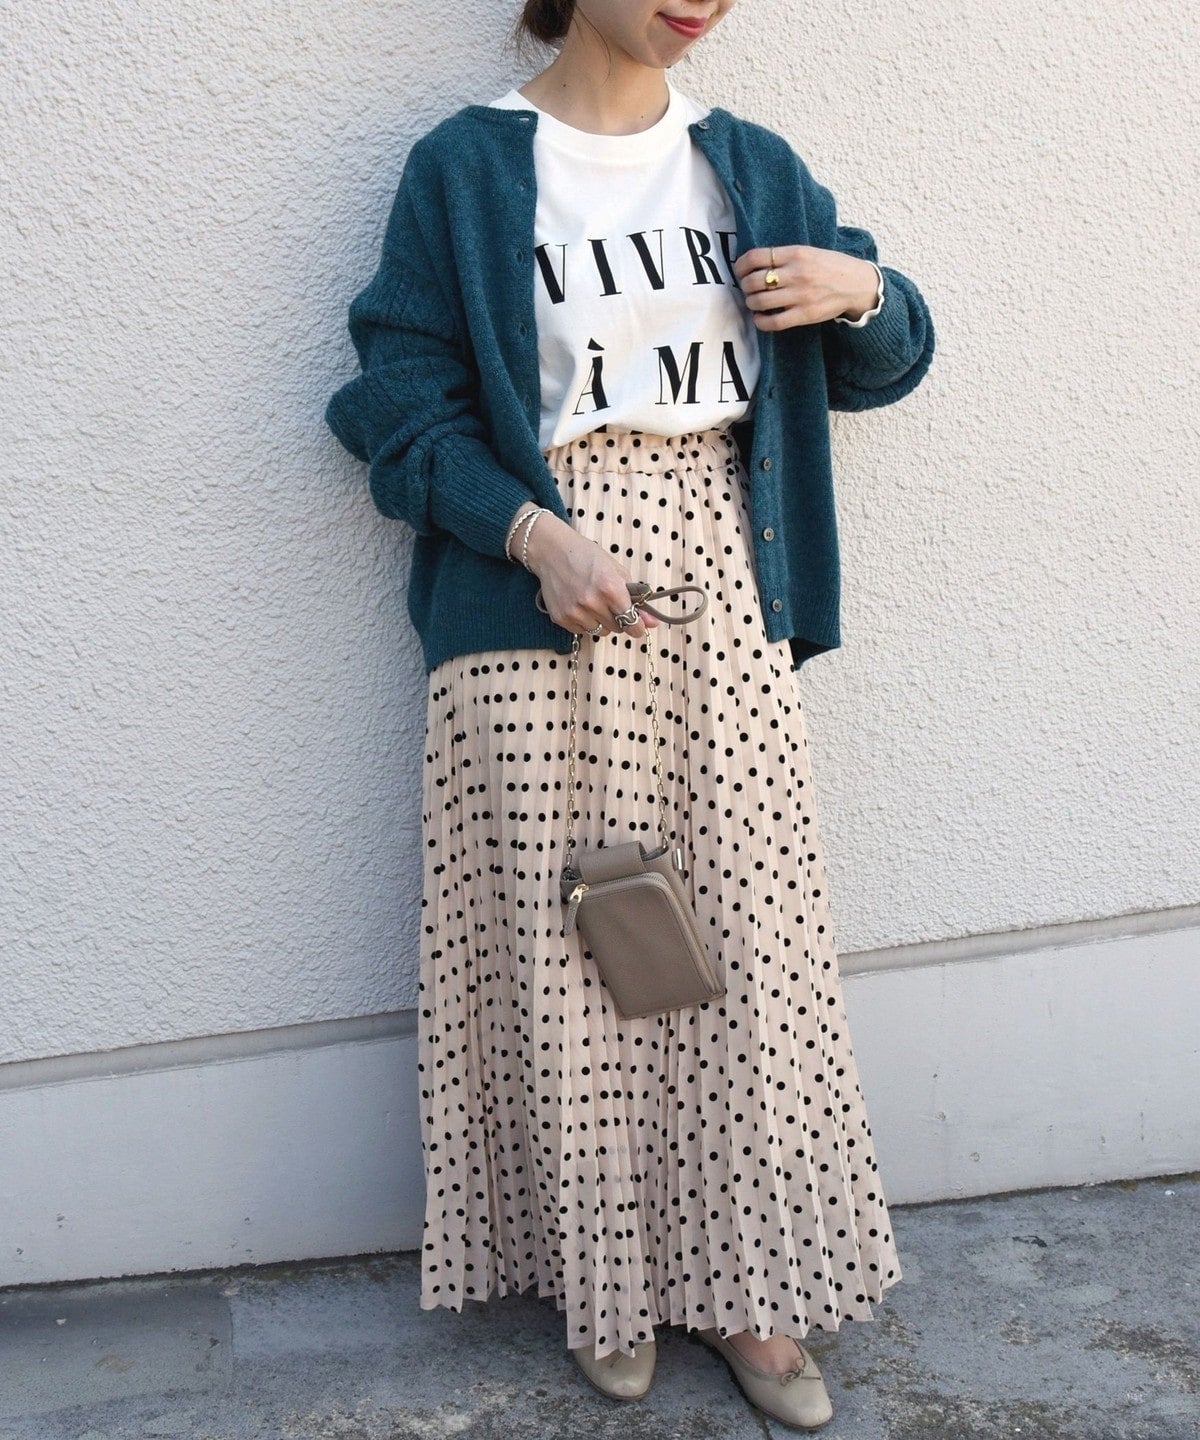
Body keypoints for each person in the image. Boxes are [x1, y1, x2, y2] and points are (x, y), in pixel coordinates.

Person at [324, 0, 935, 1428]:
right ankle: (606, 1286)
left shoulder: (752, 165)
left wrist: (866, 291)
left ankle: (749, 1292)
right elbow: (394, 406)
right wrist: (534, 537)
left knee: (741, 938)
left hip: (722, 571)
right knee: (574, 949)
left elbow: (881, 364)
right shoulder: (467, 167)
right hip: (530, 588)